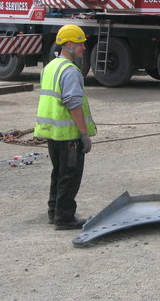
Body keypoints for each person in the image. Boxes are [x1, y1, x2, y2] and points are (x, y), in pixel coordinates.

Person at [34, 24, 96, 230]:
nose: (84, 48)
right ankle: (64, 217)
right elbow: (73, 103)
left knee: (59, 173)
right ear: (69, 44)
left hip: (53, 133)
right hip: (69, 135)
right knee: (70, 176)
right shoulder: (70, 71)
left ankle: (54, 212)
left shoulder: (50, 67)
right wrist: (84, 134)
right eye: (80, 43)